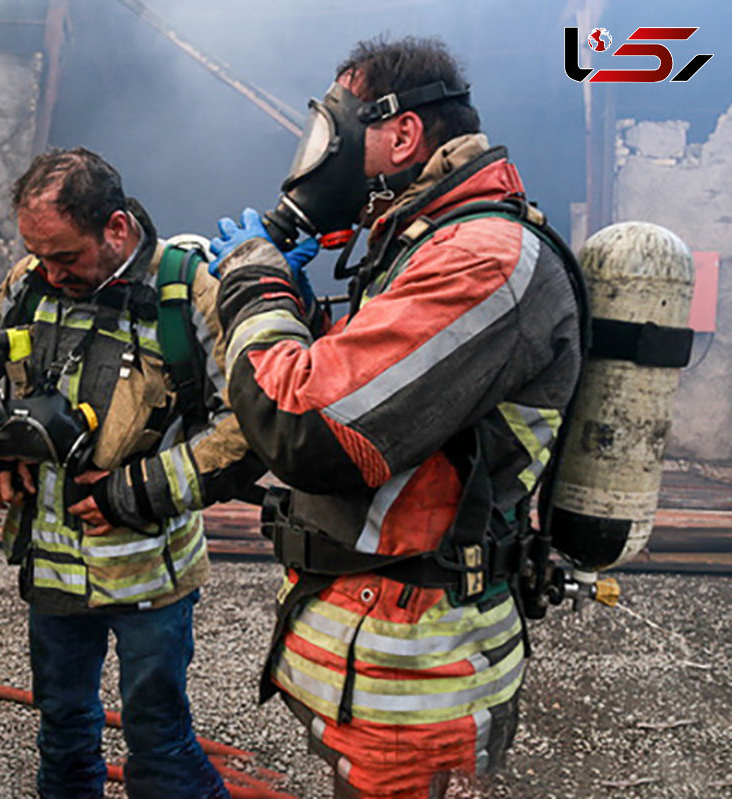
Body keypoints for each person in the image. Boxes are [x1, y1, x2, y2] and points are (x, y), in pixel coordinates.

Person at [206, 37, 583, 798]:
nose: (321, 157)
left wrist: (253, 282)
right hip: (370, 648)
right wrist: (303, 307)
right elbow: (379, 387)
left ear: (404, 135)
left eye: (337, 134)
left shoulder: (482, 257)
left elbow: (306, 427)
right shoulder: (424, 243)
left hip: (412, 670)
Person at [0, 147, 259, 798]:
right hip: (52, 571)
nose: (49, 275)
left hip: (151, 579)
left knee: (160, 744)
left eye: (65, 257)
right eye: (39, 256)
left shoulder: (186, 292)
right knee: (62, 736)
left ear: (114, 228)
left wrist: (133, 492)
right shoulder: (31, 280)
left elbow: (247, 426)